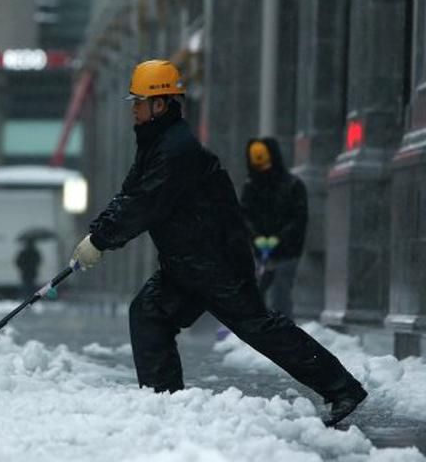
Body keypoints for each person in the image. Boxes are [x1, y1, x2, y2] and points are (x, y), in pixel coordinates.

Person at [69, 59, 367, 426]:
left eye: (139, 101)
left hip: (216, 263)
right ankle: (165, 404)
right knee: (148, 313)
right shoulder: (156, 142)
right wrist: (96, 233)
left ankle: (342, 388)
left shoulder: (176, 150)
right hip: (187, 263)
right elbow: (130, 194)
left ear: (159, 104)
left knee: (258, 327)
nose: (133, 108)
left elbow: (146, 202)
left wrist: (101, 240)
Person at [240, 137, 307, 319]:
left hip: (287, 252)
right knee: (257, 292)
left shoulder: (293, 186)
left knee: (280, 293)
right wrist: (256, 237)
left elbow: (298, 219)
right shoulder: (251, 187)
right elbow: (244, 216)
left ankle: (283, 333)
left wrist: (279, 238)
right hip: (260, 251)